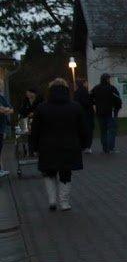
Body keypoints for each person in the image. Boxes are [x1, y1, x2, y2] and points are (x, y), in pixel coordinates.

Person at [30, 78, 90, 211]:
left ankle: (52, 200)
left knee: (49, 172)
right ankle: (64, 202)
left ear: (50, 90)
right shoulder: (75, 106)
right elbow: (83, 128)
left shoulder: (41, 108)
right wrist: (84, 143)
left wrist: (33, 147)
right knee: (65, 173)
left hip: (47, 146)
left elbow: (35, 130)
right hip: (69, 145)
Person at [90, 73, 122, 154]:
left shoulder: (96, 88)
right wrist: (117, 109)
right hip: (110, 113)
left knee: (103, 131)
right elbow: (118, 99)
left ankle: (105, 149)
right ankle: (110, 148)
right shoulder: (111, 88)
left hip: (100, 113)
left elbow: (90, 98)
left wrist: (95, 104)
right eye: (109, 79)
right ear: (107, 79)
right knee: (112, 130)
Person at [74, 78, 94, 154]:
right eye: (86, 83)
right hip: (86, 114)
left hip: (79, 115)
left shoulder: (77, 92)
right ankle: (87, 147)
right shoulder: (85, 92)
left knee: (81, 131)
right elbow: (87, 103)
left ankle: (82, 146)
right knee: (88, 131)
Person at [0, 90, 14, 177]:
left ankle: (0, 169)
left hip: (1, 127)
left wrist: (5, 110)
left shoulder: (1, 97)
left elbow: (11, 109)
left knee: (0, 148)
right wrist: (5, 109)